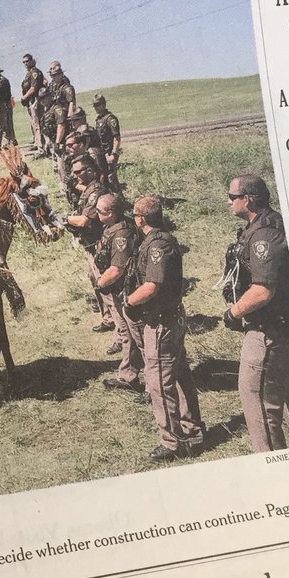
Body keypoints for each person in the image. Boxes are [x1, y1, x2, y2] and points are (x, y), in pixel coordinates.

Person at [224, 175, 289, 452]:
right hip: (288, 325)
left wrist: (233, 313)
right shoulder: (274, 223)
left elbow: (262, 290)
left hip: (269, 331)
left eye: (233, 197)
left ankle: (274, 470)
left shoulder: (264, 234)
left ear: (249, 199)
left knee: (259, 403)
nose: (229, 201)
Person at [124, 195, 204, 461]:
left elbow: (151, 286)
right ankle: (192, 429)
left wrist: (129, 301)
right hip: (172, 318)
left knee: (159, 383)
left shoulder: (156, 245)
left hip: (160, 323)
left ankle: (173, 442)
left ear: (140, 219)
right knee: (181, 375)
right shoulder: (164, 239)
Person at [95, 193, 144, 391]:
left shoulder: (122, 234)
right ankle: (129, 373)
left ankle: (132, 377)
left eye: (99, 211)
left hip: (123, 290)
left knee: (130, 332)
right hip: (117, 289)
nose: (96, 214)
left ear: (111, 213)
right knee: (128, 332)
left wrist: (99, 284)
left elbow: (117, 269)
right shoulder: (113, 227)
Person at [64, 155, 114, 333]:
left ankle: (118, 330)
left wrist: (64, 219)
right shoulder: (88, 190)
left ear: (90, 170)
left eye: (78, 171)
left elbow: (84, 221)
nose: (75, 175)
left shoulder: (96, 192)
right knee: (96, 281)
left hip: (99, 245)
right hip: (90, 245)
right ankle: (108, 318)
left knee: (105, 285)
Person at [93, 94, 122, 191]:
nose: (96, 107)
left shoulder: (110, 119)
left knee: (111, 179)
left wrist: (113, 154)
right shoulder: (99, 119)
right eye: (95, 105)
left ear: (104, 104)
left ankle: (120, 200)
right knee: (104, 178)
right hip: (102, 153)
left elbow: (117, 137)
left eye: (98, 105)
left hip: (110, 152)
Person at [20, 53, 47, 155]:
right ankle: (38, 143)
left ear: (32, 60)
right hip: (30, 101)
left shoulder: (35, 72)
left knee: (38, 124)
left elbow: (33, 88)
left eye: (27, 61)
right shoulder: (29, 73)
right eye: (24, 62)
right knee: (34, 123)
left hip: (36, 99)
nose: (26, 64)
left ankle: (41, 148)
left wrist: (24, 97)